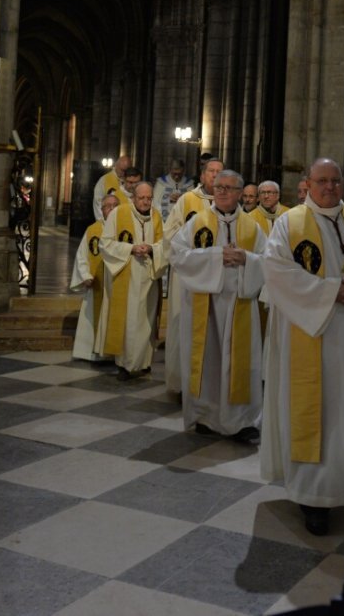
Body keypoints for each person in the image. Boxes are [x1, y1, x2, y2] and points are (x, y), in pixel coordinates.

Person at [261, 158, 344, 536]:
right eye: (322, 180)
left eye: (335, 180)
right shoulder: (290, 222)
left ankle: (340, 485)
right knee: (315, 412)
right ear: (308, 183)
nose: (330, 187)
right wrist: (332, 291)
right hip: (310, 333)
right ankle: (312, 497)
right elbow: (276, 270)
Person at [169, 169, 265, 440]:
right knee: (208, 360)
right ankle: (205, 416)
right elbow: (177, 255)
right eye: (219, 187)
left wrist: (246, 258)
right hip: (205, 305)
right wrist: (216, 256)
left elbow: (269, 262)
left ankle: (242, 421)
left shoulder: (252, 227)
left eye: (229, 188)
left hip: (240, 303)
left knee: (239, 363)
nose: (222, 192)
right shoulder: (197, 222)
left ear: (239, 193)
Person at [161, 157, 223, 393]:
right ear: (203, 175)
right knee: (183, 326)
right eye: (212, 171)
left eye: (220, 171)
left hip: (217, 276)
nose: (216, 175)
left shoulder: (227, 202)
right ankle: (181, 385)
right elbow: (170, 234)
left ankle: (210, 385)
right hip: (187, 276)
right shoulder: (188, 200)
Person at [98, 181, 168, 379]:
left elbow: (164, 243)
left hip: (149, 276)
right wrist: (131, 248)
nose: (146, 202)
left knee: (146, 320)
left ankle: (144, 362)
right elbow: (106, 244)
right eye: (142, 198)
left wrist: (153, 249)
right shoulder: (118, 214)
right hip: (126, 275)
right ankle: (126, 364)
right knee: (128, 321)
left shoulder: (156, 216)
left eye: (149, 198)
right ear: (133, 198)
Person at [72, 194, 119, 361]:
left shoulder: (124, 228)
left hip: (118, 286)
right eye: (108, 206)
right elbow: (82, 256)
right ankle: (92, 354)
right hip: (97, 285)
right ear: (102, 209)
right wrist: (85, 275)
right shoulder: (93, 230)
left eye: (115, 205)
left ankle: (114, 355)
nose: (112, 209)